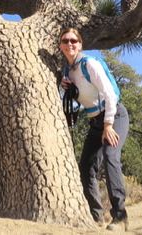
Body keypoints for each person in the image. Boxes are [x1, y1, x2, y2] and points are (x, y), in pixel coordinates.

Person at [59, 27, 129, 231]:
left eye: (74, 40)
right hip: (94, 122)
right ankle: (96, 216)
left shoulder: (89, 64)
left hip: (114, 116)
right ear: (60, 45)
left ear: (80, 44)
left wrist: (108, 125)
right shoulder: (68, 71)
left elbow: (110, 94)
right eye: (65, 41)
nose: (70, 44)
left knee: (110, 156)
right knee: (86, 167)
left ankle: (120, 216)